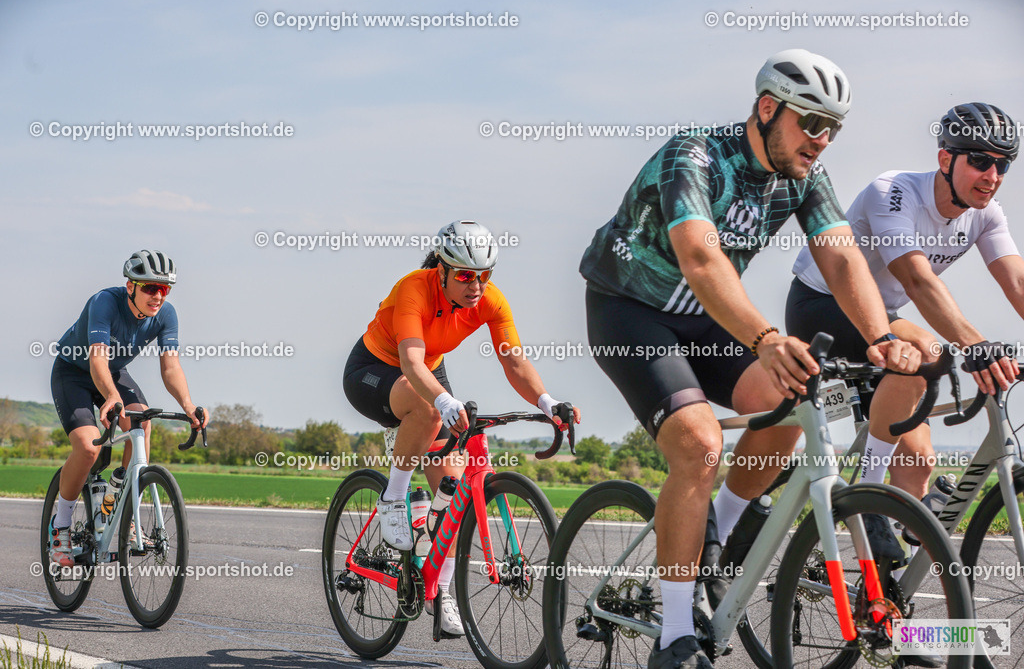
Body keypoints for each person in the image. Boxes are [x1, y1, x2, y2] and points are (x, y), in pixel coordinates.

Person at [579, 49, 921, 668]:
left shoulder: (804, 177)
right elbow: (702, 258)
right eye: (811, 123)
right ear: (768, 109)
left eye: (834, 128)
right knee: (700, 444)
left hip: (701, 315)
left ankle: (725, 525)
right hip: (630, 309)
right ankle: (676, 632)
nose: (822, 140)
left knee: (787, 407)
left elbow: (841, 257)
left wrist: (878, 337)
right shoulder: (695, 156)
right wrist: (766, 338)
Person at [788, 102, 1021, 547]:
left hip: (885, 322)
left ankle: (880, 593)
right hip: (822, 307)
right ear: (945, 159)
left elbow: (1017, 282)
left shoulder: (988, 214)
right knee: (929, 353)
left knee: (918, 460)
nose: (992, 174)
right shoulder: (893, 191)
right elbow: (916, 279)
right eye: (980, 160)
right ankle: (869, 495)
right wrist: (977, 345)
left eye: (1003, 163)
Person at [343, 220, 580, 638]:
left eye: (485, 275)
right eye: (467, 275)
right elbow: (411, 363)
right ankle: (393, 498)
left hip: (429, 375)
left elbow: (515, 361)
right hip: (375, 370)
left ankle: (443, 591)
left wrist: (546, 402)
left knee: (452, 494)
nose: (476, 285)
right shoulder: (414, 288)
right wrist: (443, 402)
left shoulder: (491, 300)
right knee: (430, 409)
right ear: (443, 269)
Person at [49, 250, 207, 567]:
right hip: (75, 373)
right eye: (150, 287)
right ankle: (61, 526)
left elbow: (171, 368)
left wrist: (189, 405)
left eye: (165, 289)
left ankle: (119, 499)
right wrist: (110, 396)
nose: (158, 295)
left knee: (141, 424)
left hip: (115, 372)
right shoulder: (104, 302)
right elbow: (97, 360)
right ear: (130, 286)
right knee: (88, 448)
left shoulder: (166, 315)